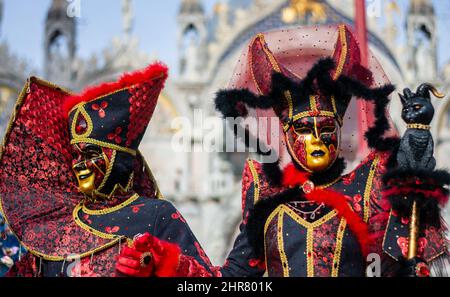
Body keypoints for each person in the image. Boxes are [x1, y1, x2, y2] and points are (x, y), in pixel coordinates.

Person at [116, 24, 449, 277]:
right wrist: (163, 263)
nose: (316, 139)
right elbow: (235, 278)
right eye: (304, 129)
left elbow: (406, 217)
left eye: (326, 129)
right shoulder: (266, 193)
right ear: (287, 134)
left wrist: (417, 136)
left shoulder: (365, 187)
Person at [0, 64, 214, 277]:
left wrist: (164, 262)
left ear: (116, 159)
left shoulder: (157, 215)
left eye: (90, 155)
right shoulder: (57, 226)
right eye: (76, 156)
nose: (78, 164)